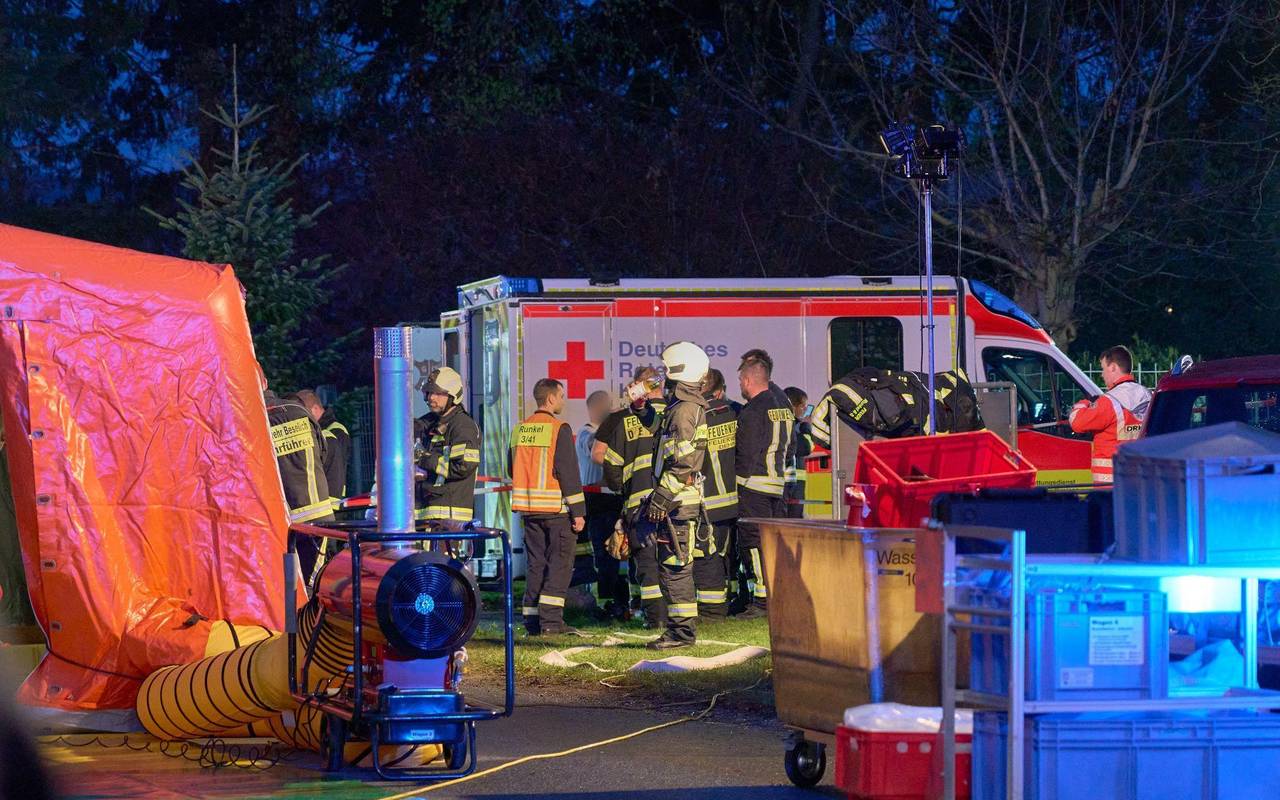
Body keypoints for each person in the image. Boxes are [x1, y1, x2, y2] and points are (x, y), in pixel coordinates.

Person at [639, 341, 710, 649]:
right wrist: (641, 410)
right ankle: (677, 630)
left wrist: (661, 498)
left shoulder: (684, 412)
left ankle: (681, 634)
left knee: (676, 568)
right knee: (672, 565)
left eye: (667, 370)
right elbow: (663, 438)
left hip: (679, 503)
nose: (663, 377)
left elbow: (685, 464)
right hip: (678, 501)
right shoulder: (681, 409)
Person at [510, 378, 587, 635]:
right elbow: (568, 472)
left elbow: (511, 468)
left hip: (530, 511)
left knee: (536, 565)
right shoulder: (558, 428)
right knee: (560, 566)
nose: (563, 401)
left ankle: (532, 621)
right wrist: (579, 513)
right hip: (556, 511)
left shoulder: (519, 429)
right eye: (561, 396)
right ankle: (552, 623)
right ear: (551, 398)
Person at [599, 367, 668, 628]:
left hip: (638, 506)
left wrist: (622, 491)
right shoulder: (675, 413)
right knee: (675, 561)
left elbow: (612, 467)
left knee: (647, 565)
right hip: (674, 502)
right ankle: (680, 617)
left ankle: (656, 620)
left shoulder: (625, 421)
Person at [733, 349, 794, 618]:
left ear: (747, 381)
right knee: (773, 542)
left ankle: (761, 600)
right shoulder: (783, 406)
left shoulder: (752, 411)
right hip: (777, 484)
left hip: (754, 485)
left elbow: (746, 450)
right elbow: (791, 447)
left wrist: (738, 481)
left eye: (741, 382)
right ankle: (778, 593)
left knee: (753, 542)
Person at [264, 387, 332, 584]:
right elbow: (323, 453)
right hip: (318, 512)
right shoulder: (300, 411)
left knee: (288, 581)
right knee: (314, 580)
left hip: (285, 518)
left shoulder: (256, 418)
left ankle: (294, 613)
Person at [1069, 345, 1152, 484]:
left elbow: (1077, 423)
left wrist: (1084, 403)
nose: (1102, 374)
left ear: (1113, 367)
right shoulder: (1149, 395)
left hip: (1110, 484)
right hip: (1141, 477)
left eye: (1103, 368)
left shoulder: (1109, 402)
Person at [579, 390, 628, 619]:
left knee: (619, 551)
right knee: (604, 554)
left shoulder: (607, 432)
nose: (608, 411)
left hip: (613, 499)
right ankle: (606, 602)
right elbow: (595, 449)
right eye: (605, 407)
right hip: (597, 501)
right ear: (594, 408)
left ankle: (621, 601)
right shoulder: (586, 432)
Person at [695, 368, 737, 621]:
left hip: (706, 500)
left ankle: (712, 610)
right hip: (733, 499)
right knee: (727, 554)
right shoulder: (736, 412)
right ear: (720, 391)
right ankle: (727, 601)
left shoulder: (697, 416)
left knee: (707, 555)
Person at [416, 367, 482, 524]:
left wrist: (425, 460)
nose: (432, 397)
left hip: (450, 517)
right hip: (428, 513)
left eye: (438, 393)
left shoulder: (462, 426)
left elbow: (463, 467)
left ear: (453, 396)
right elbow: (412, 428)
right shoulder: (432, 422)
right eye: (429, 392)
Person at [296, 389, 350, 511]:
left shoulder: (336, 431)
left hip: (333, 500)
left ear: (315, 409)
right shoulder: (320, 430)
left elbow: (335, 468)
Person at [783, 386, 813, 520]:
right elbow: (805, 448)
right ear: (793, 406)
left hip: (796, 482)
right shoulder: (796, 426)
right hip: (789, 483)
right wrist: (806, 429)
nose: (805, 411)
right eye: (803, 407)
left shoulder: (796, 425)